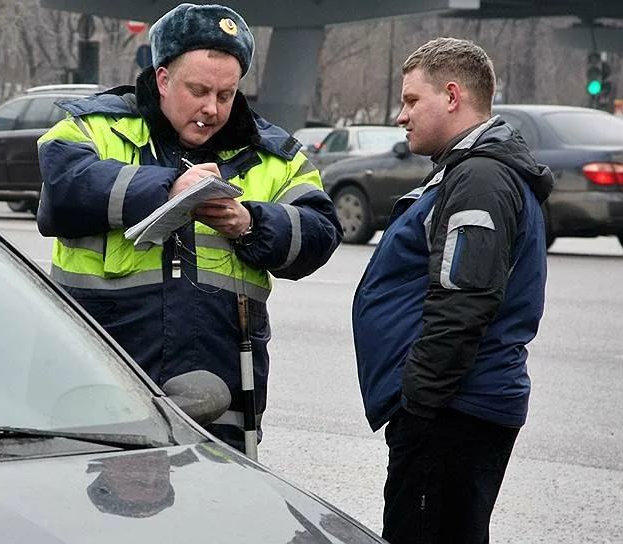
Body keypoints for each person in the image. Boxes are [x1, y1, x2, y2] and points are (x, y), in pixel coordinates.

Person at [37, 3, 341, 452]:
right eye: (198, 90)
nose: (211, 108)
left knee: (215, 516)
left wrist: (252, 223)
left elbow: (320, 232)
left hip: (225, 394)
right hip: (104, 386)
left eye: (226, 94)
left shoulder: (275, 155)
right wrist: (166, 187)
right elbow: (63, 191)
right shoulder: (95, 127)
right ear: (162, 78)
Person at [352, 37, 553, 543]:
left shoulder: (480, 178)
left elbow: (464, 298)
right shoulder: (468, 171)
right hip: (452, 410)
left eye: (412, 101)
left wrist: (418, 403)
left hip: (451, 414)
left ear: (452, 94)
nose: (402, 115)